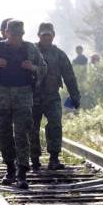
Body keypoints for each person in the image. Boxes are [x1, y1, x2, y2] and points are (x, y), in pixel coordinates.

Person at [0, 20, 47, 189]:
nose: (16, 38)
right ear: (6, 33)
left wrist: (33, 68)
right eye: (13, 35)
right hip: (2, 96)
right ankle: (10, 169)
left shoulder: (30, 48)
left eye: (19, 35)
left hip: (23, 96)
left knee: (22, 133)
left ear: (23, 34)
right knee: (4, 133)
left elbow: (44, 68)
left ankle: (22, 172)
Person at [30, 22, 80, 171]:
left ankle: (54, 158)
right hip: (32, 97)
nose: (46, 37)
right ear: (39, 35)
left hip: (52, 96)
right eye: (44, 35)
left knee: (55, 125)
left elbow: (69, 76)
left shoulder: (59, 54)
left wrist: (75, 95)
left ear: (53, 36)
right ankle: (34, 159)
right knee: (32, 128)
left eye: (49, 35)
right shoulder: (30, 51)